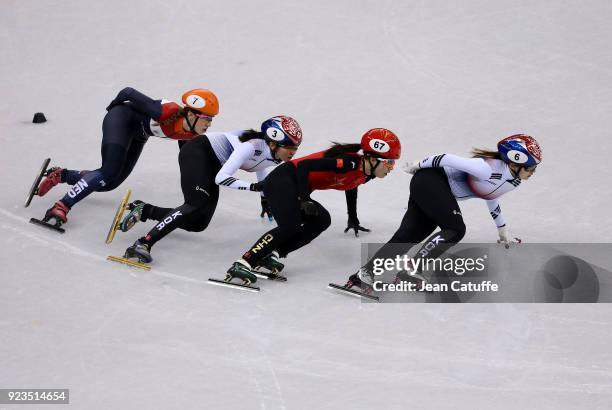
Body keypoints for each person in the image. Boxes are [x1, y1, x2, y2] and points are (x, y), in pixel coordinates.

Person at [343, 134, 542, 292]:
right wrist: (418, 165)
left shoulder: (512, 180)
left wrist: (502, 231)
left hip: (433, 187)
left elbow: (491, 197)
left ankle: (363, 275)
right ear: (516, 162)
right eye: (531, 168)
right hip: (431, 180)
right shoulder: (486, 168)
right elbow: (447, 158)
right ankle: (412, 270)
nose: (533, 172)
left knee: (409, 236)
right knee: (455, 229)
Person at [224, 128, 402, 286]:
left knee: (322, 220)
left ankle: (273, 254)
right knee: (290, 226)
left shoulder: (367, 173)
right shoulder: (349, 162)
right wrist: (304, 198)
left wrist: (352, 216)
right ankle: (244, 262)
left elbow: (352, 183)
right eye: (389, 163)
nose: (392, 168)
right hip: (282, 180)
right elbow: (303, 165)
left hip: (294, 187)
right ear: (372, 159)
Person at [118, 115, 303, 263]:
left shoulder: (273, 154)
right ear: (273, 142)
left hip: (213, 163)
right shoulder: (250, 147)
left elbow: (260, 166)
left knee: (198, 223)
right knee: (194, 204)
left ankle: (144, 210)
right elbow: (222, 178)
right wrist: (253, 187)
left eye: (295, 147)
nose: (293, 152)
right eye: (289, 147)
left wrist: (264, 198)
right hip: (198, 152)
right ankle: (143, 243)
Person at [35, 87, 219, 227]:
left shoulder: (193, 135)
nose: (209, 124)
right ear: (192, 115)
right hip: (120, 120)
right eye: (207, 119)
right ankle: (61, 206)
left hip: (139, 135)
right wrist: (112, 108)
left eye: (211, 120)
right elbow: (128, 92)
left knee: (109, 184)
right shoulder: (167, 112)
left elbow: (187, 159)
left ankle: (62, 175)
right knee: (108, 172)